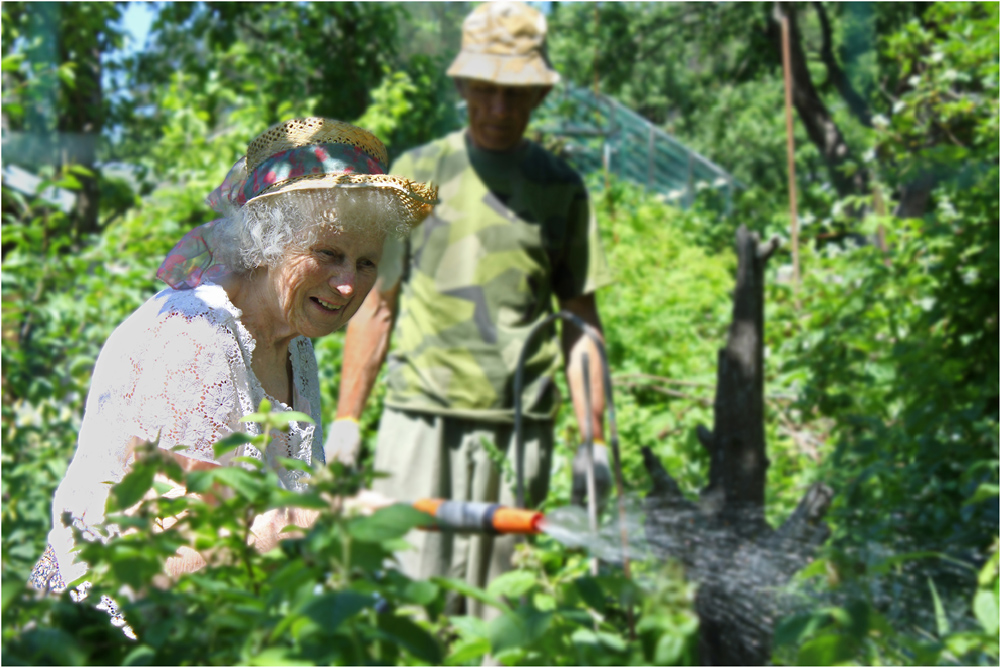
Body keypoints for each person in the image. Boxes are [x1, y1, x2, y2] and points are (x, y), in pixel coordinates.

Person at [27, 117, 437, 635]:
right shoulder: (194, 336)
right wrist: (323, 523)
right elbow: (166, 561)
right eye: (328, 254)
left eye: (366, 263)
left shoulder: (295, 344)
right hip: (97, 636)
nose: (347, 285)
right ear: (269, 241)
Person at [323, 2, 614, 618]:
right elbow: (378, 303)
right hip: (419, 424)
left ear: (538, 95)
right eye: (486, 90)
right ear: (462, 86)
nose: (500, 110)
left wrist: (595, 439)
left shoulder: (562, 188)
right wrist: (347, 421)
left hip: (517, 430)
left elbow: (581, 322)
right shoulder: (419, 176)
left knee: (500, 624)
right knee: (402, 608)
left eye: (516, 94)